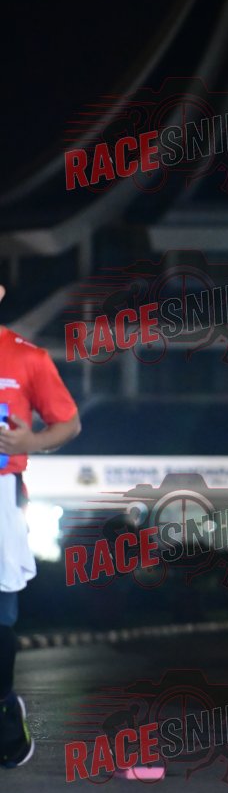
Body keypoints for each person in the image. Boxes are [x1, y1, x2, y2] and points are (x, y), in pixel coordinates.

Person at [0, 285, 81, 768]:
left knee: (0, 612)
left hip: (2, 494)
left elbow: (68, 423)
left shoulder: (27, 357)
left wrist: (29, 441)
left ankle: (4, 709)